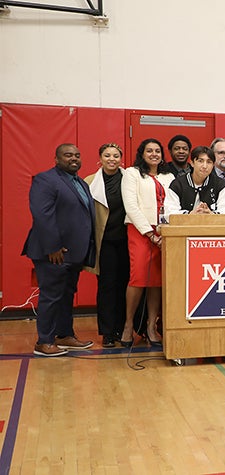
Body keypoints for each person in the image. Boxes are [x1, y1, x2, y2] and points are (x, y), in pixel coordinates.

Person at [24, 144, 96, 356]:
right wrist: (53, 246)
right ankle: (43, 341)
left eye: (76, 155)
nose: (73, 159)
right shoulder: (45, 179)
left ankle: (64, 335)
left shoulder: (81, 183)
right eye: (67, 155)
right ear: (56, 159)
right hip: (53, 252)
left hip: (74, 253)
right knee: (51, 296)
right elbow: (42, 214)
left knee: (66, 295)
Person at [121, 138, 175, 348]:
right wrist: (150, 234)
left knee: (158, 280)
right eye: (149, 151)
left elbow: (172, 203)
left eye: (158, 151)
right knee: (139, 277)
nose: (154, 154)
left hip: (164, 231)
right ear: (142, 154)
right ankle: (128, 324)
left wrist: (163, 231)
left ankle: (152, 326)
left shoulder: (168, 176)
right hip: (140, 230)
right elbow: (131, 206)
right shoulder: (132, 173)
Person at [84, 143, 129, 348]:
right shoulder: (90, 182)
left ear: (121, 158)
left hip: (128, 241)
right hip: (105, 242)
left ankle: (123, 328)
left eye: (116, 155)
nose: (112, 159)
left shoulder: (130, 178)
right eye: (107, 155)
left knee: (126, 286)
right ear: (100, 158)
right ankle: (108, 332)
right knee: (107, 286)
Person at [164, 146, 225, 216]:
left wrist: (211, 215)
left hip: (211, 225)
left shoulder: (220, 184)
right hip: (185, 226)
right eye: (200, 161)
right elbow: (169, 214)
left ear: (213, 165)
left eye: (209, 162)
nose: (205, 166)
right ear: (192, 163)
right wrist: (189, 214)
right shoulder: (177, 184)